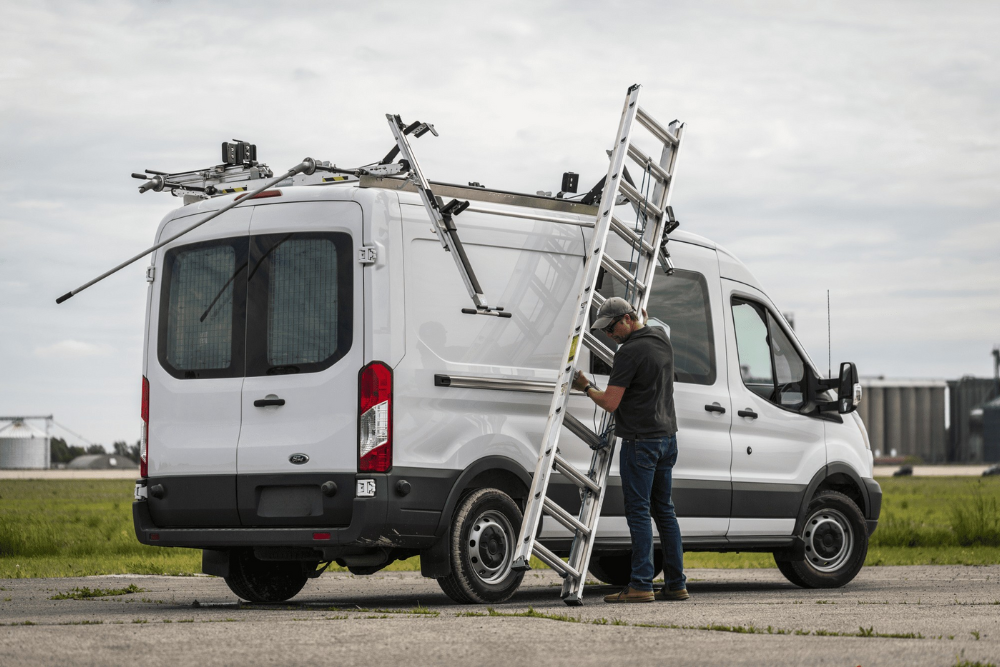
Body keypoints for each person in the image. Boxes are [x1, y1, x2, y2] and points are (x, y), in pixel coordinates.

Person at [572, 296, 688, 603]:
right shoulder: (660, 338)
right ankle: (676, 583)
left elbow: (610, 403)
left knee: (638, 513)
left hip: (640, 441)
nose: (610, 337)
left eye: (611, 329)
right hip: (667, 438)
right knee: (664, 511)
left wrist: (585, 386)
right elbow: (648, 323)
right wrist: (643, 320)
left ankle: (640, 584)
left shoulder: (629, 353)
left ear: (625, 319)